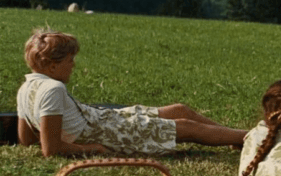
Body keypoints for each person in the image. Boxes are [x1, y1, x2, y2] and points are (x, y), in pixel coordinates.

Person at [16, 29, 246, 157]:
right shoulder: (53, 89)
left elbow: (26, 138)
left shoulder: (26, 87)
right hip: (106, 132)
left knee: (179, 110)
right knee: (185, 126)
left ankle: (231, 138)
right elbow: (51, 149)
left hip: (101, 119)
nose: (73, 65)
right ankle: (249, 137)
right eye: (70, 60)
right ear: (53, 66)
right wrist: (93, 149)